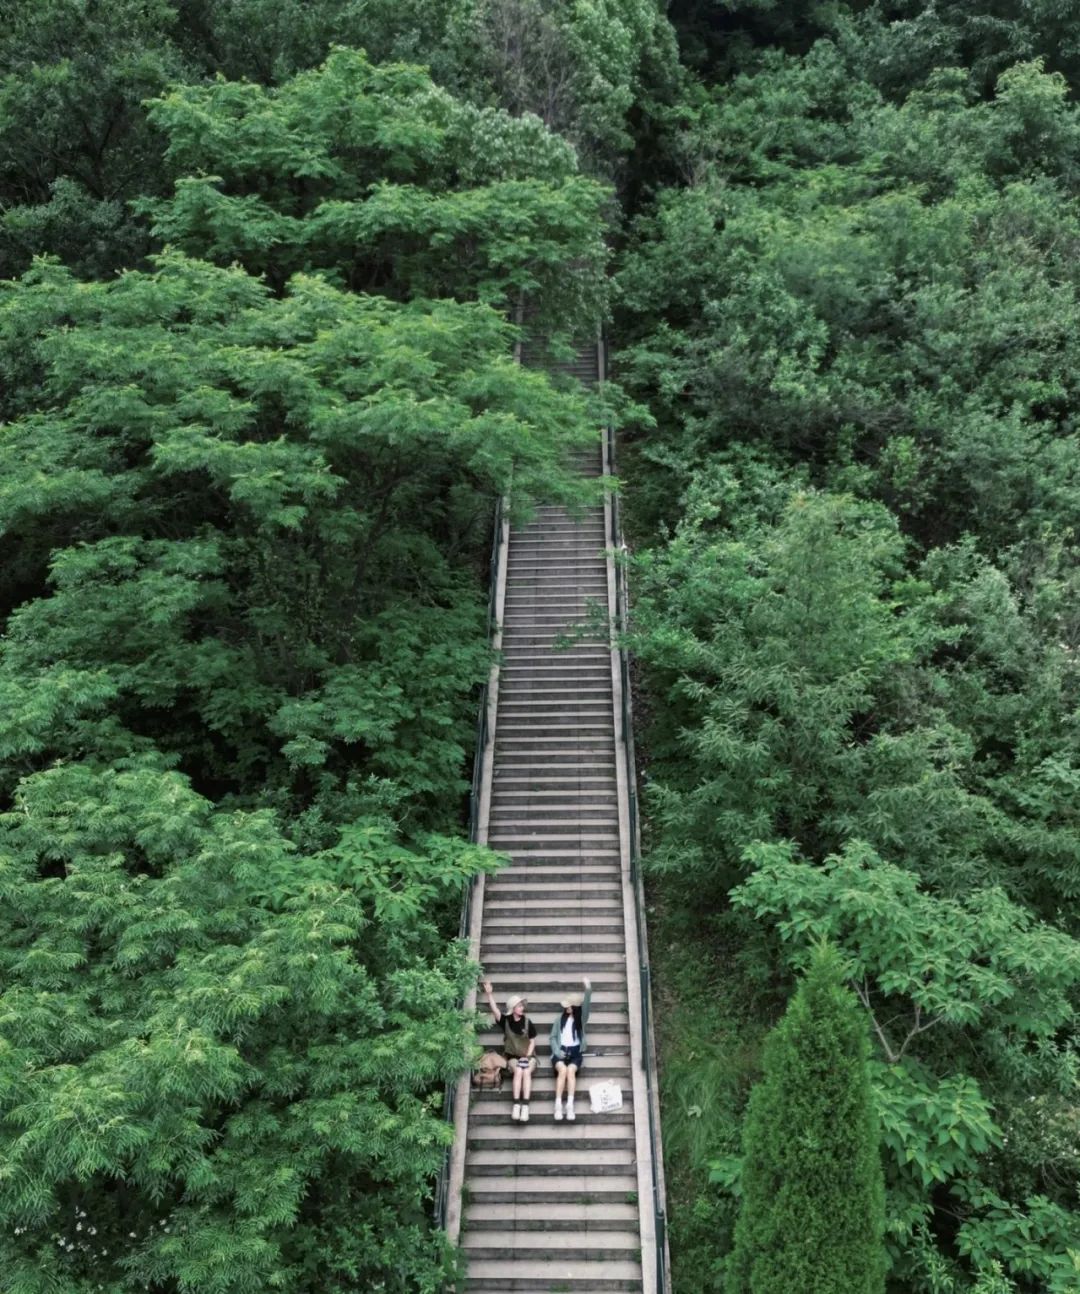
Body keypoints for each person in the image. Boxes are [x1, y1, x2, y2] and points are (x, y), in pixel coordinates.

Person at [482, 980, 537, 1122]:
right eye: (519, 1006)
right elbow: (495, 1010)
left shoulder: (527, 1022)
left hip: (529, 1057)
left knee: (525, 1071)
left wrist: (528, 1056)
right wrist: (489, 994)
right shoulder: (505, 1020)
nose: (522, 1008)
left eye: (522, 1005)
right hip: (512, 1057)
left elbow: (532, 1041)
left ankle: (525, 1106)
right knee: (518, 1070)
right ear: (513, 1008)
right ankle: (516, 1104)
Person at [549, 976, 591, 1121]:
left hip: (575, 1053)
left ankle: (570, 1105)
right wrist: (556, 1051)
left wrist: (588, 989)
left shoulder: (581, 1020)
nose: (566, 1007)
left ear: (575, 1007)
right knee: (563, 1070)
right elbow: (552, 1037)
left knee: (571, 1071)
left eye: (568, 1005)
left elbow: (586, 1005)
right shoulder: (559, 1020)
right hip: (560, 1051)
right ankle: (558, 1104)